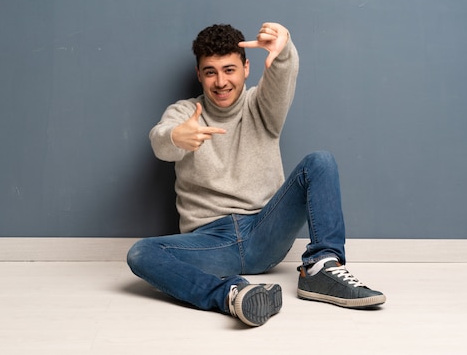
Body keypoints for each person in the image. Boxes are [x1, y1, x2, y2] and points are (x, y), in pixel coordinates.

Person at [127, 22, 385, 327]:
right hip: (211, 242)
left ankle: (320, 269)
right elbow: (161, 141)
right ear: (199, 75)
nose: (221, 81)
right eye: (210, 71)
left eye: (229, 69)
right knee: (141, 253)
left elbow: (281, 79)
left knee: (321, 162)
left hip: (265, 231)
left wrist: (284, 51)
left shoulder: (261, 106)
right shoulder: (186, 113)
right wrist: (175, 137)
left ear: (246, 68)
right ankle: (232, 295)